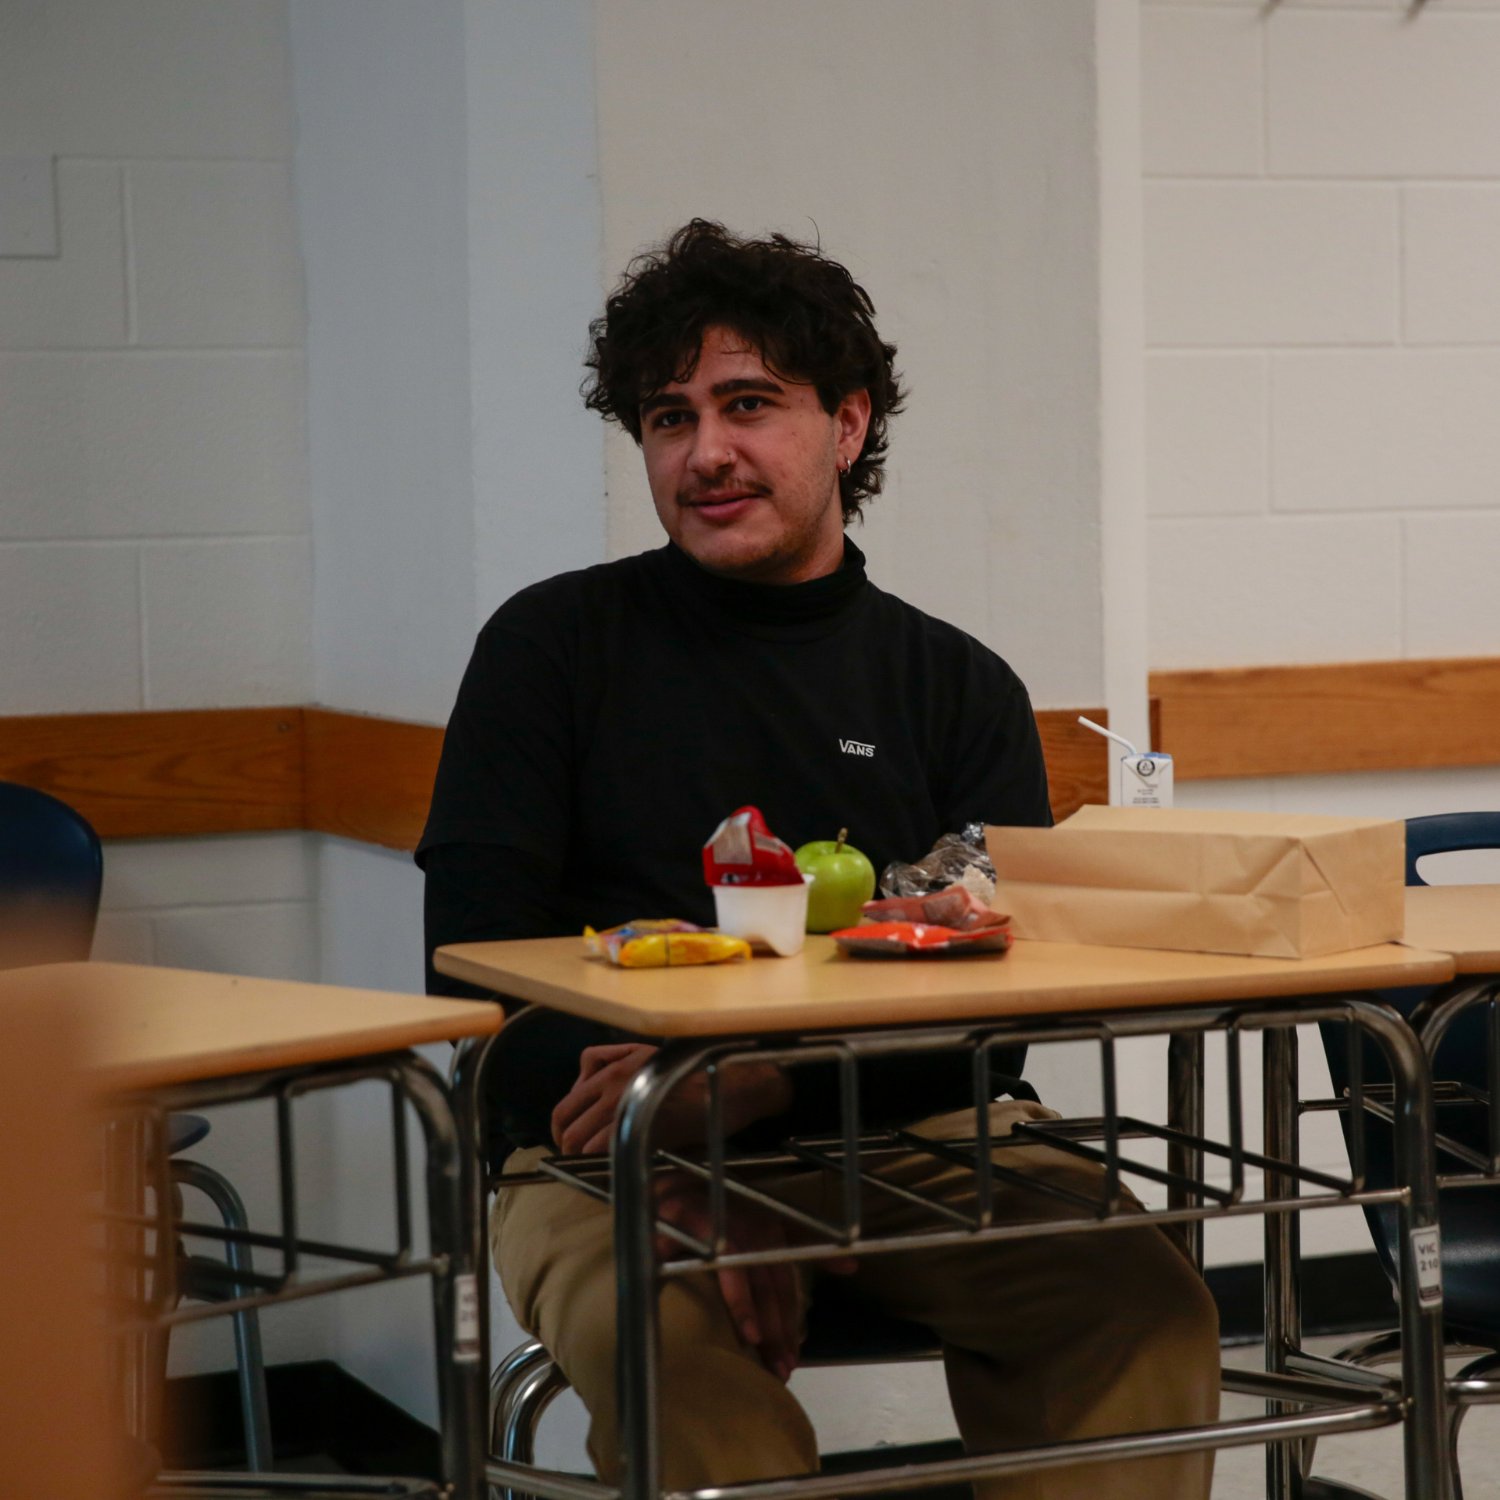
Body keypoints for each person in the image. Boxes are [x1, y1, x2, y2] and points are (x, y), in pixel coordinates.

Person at [419, 220, 1219, 1500]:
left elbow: (990, 1025)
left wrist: (755, 1095)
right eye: (669, 418)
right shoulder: (549, 649)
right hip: (592, 1149)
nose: (706, 452)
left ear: (847, 427)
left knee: (1139, 1308)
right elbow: (471, 983)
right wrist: (673, 1159)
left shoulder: (957, 685)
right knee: (677, 1356)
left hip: (922, 1134)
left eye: (749, 405)